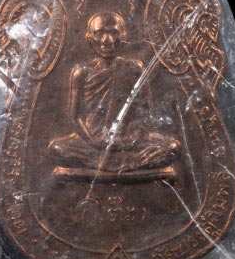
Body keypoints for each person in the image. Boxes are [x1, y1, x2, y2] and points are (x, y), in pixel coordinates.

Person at [49, 12, 179, 175]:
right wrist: (93, 141)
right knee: (57, 148)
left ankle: (101, 162)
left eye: (113, 33)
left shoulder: (134, 69)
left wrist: (132, 139)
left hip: (128, 141)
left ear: (123, 37)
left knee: (172, 147)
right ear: (90, 39)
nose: (107, 40)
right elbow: (75, 117)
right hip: (94, 142)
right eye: (100, 33)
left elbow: (146, 113)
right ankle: (128, 162)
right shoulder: (81, 72)